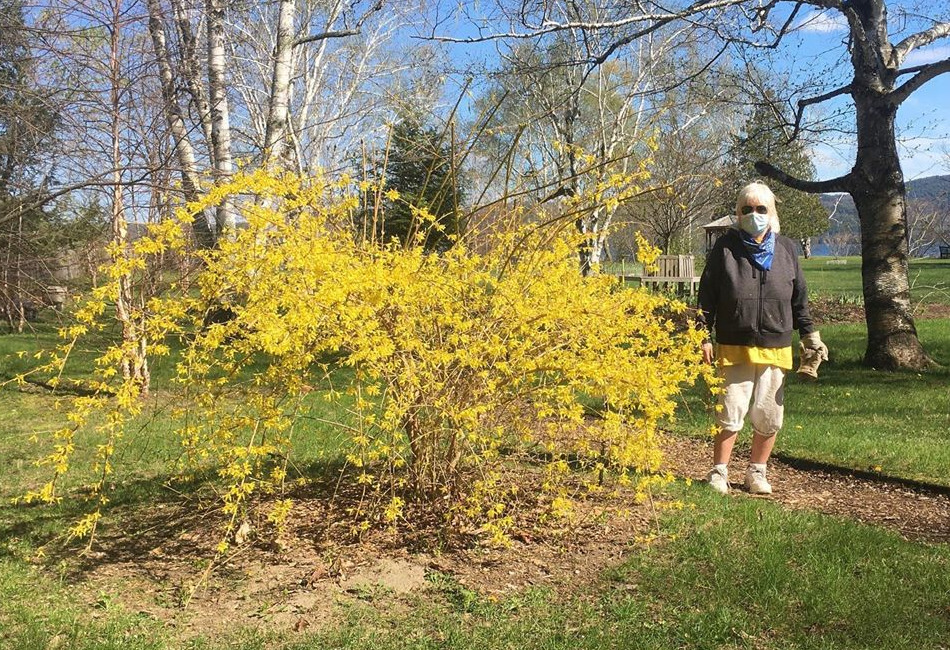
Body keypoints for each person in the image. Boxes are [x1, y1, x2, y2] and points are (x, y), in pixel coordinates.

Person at [697, 181, 828, 495]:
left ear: (771, 213)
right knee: (729, 411)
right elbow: (707, 297)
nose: (754, 214)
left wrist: (810, 336)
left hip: (775, 345)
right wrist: (703, 335)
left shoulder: (786, 249)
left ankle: (757, 473)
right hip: (734, 344)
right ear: (738, 213)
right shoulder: (724, 249)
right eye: (747, 209)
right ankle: (719, 472)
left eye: (761, 209)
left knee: (769, 415)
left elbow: (799, 298)